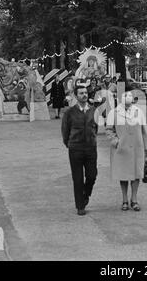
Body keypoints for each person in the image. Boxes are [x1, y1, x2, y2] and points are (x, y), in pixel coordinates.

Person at [106, 85, 147, 211]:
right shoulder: (113, 113)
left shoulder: (139, 112)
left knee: (136, 174)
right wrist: (116, 141)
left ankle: (134, 199)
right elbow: (109, 130)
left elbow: (144, 131)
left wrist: (146, 148)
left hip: (137, 147)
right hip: (121, 149)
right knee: (123, 174)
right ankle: (124, 199)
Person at [61, 84, 98, 216]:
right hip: (75, 148)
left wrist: (92, 139)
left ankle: (86, 194)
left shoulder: (94, 111)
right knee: (77, 178)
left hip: (90, 148)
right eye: (81, 93)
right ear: (76, 96)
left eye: (86, 93)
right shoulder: (69, 113)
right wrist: (69, 143)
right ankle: (80, 205)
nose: (84, 95)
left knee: (92, 175)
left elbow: (96, 128)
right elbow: (65, 131)